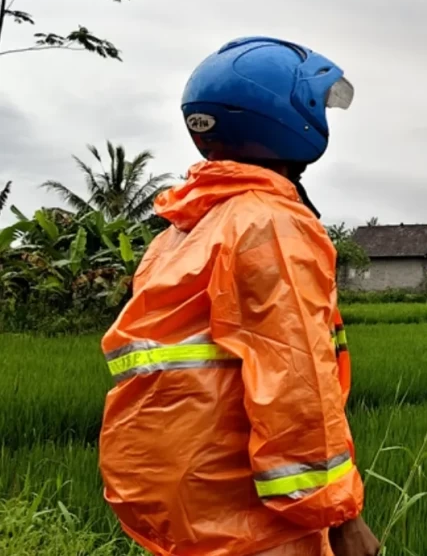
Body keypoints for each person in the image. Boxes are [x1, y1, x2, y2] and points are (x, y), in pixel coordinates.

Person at [98, 36, 380, 556]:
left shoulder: (179, 232)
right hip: (246, 514)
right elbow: (296, 383)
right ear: (287, 117)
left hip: (181, 503)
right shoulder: (269, 224)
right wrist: (341, 518)